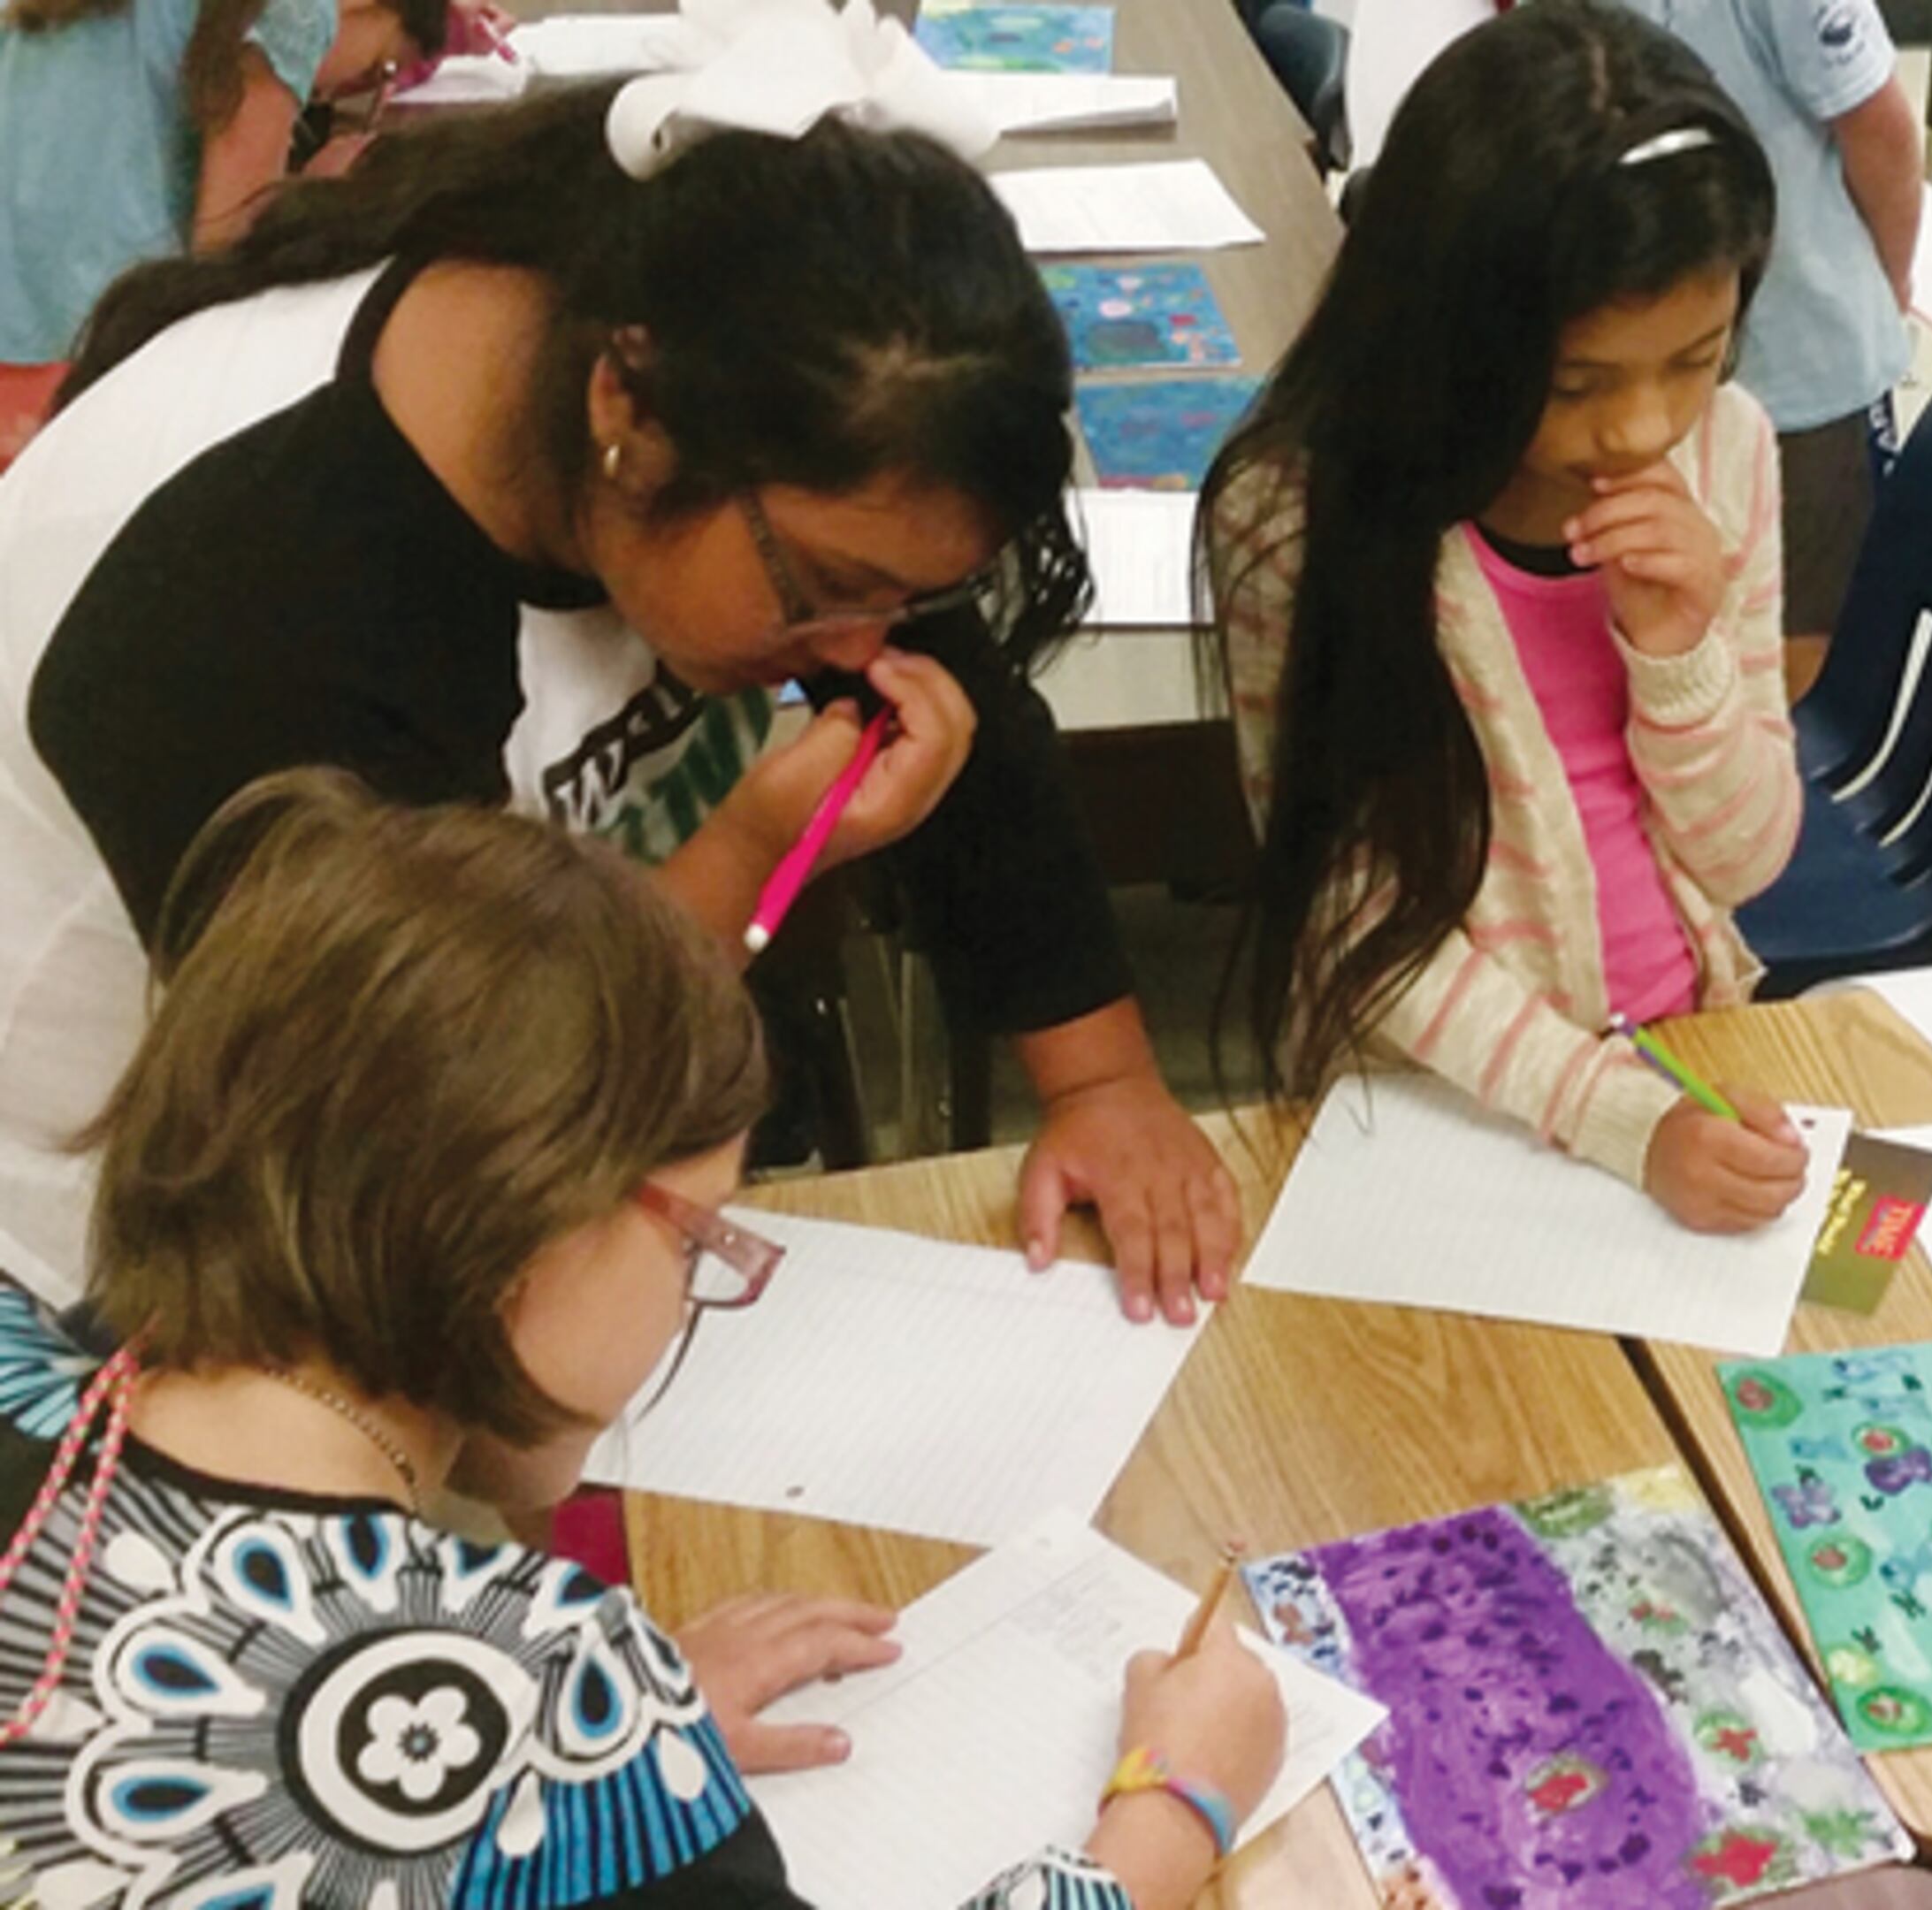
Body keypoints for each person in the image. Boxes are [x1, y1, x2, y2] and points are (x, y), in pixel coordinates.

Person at [0, 1, 1242, 1326]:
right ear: (626, 412)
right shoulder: (273, 601)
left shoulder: (699, 357)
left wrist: (1106, 1084)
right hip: (130, 1257)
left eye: (906, 599)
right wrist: (750, 854)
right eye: (829, 596)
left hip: (446, 1126)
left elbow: (946, 694)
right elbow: (426, 1135)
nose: (866, 652)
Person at [0, 767, 1286, 1905]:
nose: (689, 1294)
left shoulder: (35, 1382)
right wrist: (1171, 1821)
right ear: (533, 1217)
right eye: (694, 1240)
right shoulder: (553, 1687)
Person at [1203, 0, 1813, 1235]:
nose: (1643, 427)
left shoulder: (1730, 454)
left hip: (1691, 1045)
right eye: (1579, 383)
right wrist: (1614, 1117)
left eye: (1695, 358)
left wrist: (1681, 653)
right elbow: (1347, 910)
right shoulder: (1300, 518)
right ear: (1450, 337)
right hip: (1440, 1096)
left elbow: (1747, 860)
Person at [1607, 0, 1920, 691]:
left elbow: (1884, 135)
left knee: (1794, 654)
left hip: (1806, 380)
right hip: (1648, 371)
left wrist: (1885, 287)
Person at [0, 0, 441, 463]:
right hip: (85, 360)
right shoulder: (295, 12)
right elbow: (227, 252)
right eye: (379, 69)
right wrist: (323, 195)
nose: (345, 90)